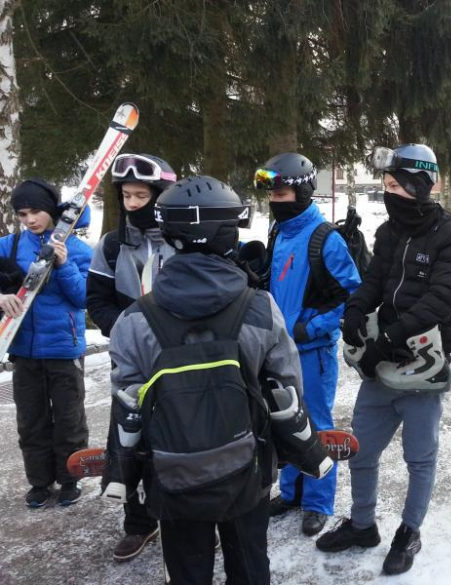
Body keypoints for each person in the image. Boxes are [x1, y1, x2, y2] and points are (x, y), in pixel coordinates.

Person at [105, 175, 334, 584]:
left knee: (187, 571)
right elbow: (286, 390)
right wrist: (303, 452)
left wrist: (125, 475)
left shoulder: (135, 319)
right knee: (249, 566)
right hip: (246, 472)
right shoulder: (261, 308)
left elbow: (128, 403)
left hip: (173, 478)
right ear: (226, 237)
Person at [315, 144, 451, 575]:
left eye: (398, 186)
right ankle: (362, 525)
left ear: (422, 186)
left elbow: (443, 300)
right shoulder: (389, 233)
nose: (391, 194)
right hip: (379, 367)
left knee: (419, 457)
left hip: (423, 367)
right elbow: (373, 281)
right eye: (386, 186)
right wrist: (353, 310)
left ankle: (410, 531)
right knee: (362, 451)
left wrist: (390, 338)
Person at [253, 152, 361, 536]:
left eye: (281, 191)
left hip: (312, 353)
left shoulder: (324, 238)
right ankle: (292, 491)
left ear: (301, 191)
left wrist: (309, 328)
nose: (274, 199)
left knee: (315, 425)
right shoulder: (279, 231)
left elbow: (350, 295)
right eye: (271, 192)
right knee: (282, 421)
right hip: (277, 350)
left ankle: (318, 501)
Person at [86, 153, 177, 561]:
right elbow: (97, 301)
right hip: (130, 363)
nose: (134, 204)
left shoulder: (182, 241)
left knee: (180, 439)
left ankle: (182, 518)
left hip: (178, 362)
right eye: (127, 196)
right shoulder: (111, 244)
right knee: (129, 442)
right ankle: (138, 522)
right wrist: (128, 333)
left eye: (142, 195)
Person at [0, 179, 92, 508]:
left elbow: (83, 298)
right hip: (23, 350)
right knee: (31, 421)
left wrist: (64, 265)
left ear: (51, 210)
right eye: (22, 214)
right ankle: (39, 482)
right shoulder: (8, 246)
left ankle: (70, 479)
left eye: (35, 211)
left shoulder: (80, 250)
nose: (29, 219)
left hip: (64, 349)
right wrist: (2, 296)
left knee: (69, 421)